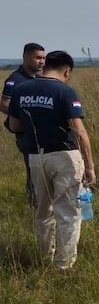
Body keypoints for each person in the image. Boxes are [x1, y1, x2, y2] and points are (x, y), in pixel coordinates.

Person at [7, 51, 96, 270]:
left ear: (45, 65)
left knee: (43, 211)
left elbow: (15, 126)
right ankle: (63, 266)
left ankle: (44, 258)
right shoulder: (64, 91)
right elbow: (79, 131)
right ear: (67, 71)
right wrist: (90, 166)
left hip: (36, 157)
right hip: (65, 156)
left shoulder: (21, 90)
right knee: (68, 212)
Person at [1, 42, 46, 207]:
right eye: (37, 58)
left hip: (43, 132)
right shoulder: (15, 79)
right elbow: (4, 103)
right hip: (25, 133)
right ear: (26, 57)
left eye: (43, 58)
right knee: (33, 169)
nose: (41, 62)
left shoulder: (41, 79)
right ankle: (35, 204)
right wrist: (24, 119)